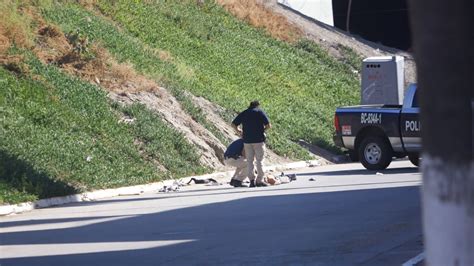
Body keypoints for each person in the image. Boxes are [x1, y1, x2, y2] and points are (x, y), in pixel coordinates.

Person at [232, 100, 272, 187]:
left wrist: (239, 131)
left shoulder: (245, 113)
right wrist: (262, 131)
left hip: (247, 141)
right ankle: (259, 180)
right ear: (258, 105)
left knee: (250, 161)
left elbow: (233, 124)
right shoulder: (259, 112)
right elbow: (268, 125)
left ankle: (251, 181)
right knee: (259, 161)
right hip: (259, 140)